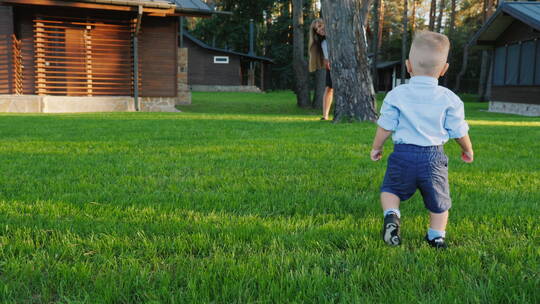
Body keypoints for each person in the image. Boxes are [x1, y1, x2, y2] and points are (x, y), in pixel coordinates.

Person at [370, 31, 474, 249]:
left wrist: (376, 147)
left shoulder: (396, 94)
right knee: (439, 202)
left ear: (408, 66)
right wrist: (467, 149)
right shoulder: (449, 99)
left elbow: (385, 126)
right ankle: (436, 237)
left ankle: (392, 215)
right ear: (444, 69)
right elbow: (458, 130)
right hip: (433, 158)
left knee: (391, 189)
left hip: (403, 154)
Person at [308, 18, 333, 121]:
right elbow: (326, 58)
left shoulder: (335, 35)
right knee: (329, 89)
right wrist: (327, 62)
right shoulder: (322, 42)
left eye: (319, 26)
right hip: (331, 68)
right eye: (316, 29)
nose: (318, 30)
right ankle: (325, 115)